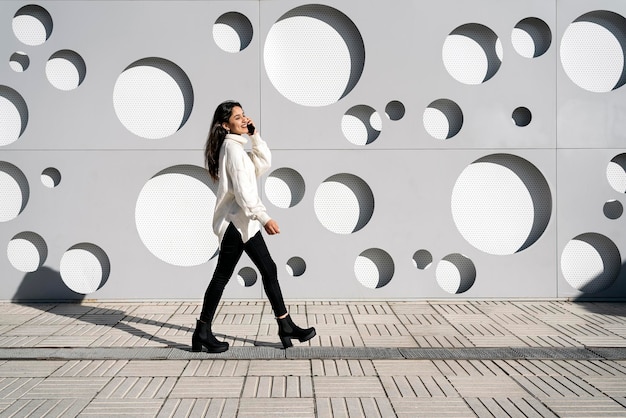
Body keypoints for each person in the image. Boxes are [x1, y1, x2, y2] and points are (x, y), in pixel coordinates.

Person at [192, 100, 316, 353]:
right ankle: (202, 332)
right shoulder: (233, 150)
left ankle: (285, 325)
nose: (244, 119)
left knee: (268, 269)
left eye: (244, 114)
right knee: (222, 277)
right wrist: (264, 217)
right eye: (237, 117)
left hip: (244, 222)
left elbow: (263, 163)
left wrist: (255, 135)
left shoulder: (238, 147)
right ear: (225, 125)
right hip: (235, 223)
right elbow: (244, 191)